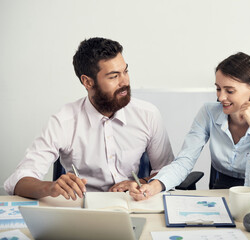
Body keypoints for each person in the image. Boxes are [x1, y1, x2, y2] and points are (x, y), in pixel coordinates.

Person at [4, 37, 174, 200]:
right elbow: (19, 180)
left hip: (134, 205)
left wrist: (142, 183)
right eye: (114, 76)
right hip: (85, 210)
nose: (125, 82)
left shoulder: (148, 114)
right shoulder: (64, 121)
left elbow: (168, 172)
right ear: (87, 82)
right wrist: (51, 187)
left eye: (125, 71)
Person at [129, 52, 250, 201]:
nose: (221, 97)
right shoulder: (209, 112)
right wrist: (153, 186)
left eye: (229, 91)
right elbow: (184, 161)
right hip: (219, 193)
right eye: (218, 88)